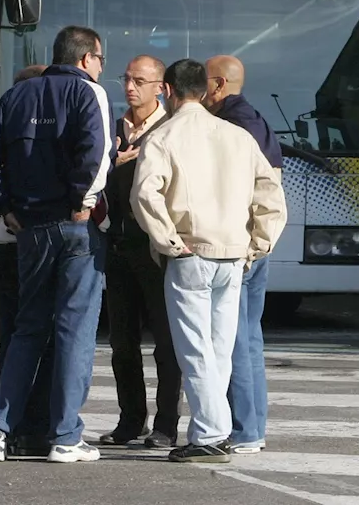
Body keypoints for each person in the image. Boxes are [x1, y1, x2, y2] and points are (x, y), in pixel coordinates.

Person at [130, 59, 286, 463]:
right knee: (219, 348)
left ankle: (210, 433)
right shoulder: (237, 137)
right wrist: (259, 244)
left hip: (190, 252)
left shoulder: (164, 136)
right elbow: (271, 194)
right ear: (204, 89)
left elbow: (144, 194)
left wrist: (167, 240)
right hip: (234, 254)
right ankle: (213, 429)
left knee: (194, 348)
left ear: (167, 89)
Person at [0, 27, 113, 464]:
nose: (102, 67)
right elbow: (97, 152)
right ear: (87, 57)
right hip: (73, 227)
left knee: (27, 329)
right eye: (101, 58)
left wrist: (3, 206)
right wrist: (81, 201)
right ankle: (66, 436)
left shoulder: (17, 96)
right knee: (74, 330)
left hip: (28, 228)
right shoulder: (90, 93)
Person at [99, 54, 182, 449]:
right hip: (117, 245)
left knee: (166, 342)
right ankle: (130, 420)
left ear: (160, 88)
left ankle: (166, 424)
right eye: (126, 79)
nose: (130, 87)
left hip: (157, 249)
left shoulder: (172, 130)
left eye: (140, 81)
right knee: (122, 342)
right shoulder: (113, 130)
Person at [204, 54, 283, 455]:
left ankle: (243, 428)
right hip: (258, 243)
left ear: (218, 86)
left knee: (232, 338)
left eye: (203, 83)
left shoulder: (230, 125)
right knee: (249, 338)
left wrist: (250, 247)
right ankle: (253, 428)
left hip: (239, 245)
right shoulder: (257, 119)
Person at [0, 64, 52, 458]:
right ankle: (26, 425)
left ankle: (8, 425)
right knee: (37, 336)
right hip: (25, 243)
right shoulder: (32, 136)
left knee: (14, 335)